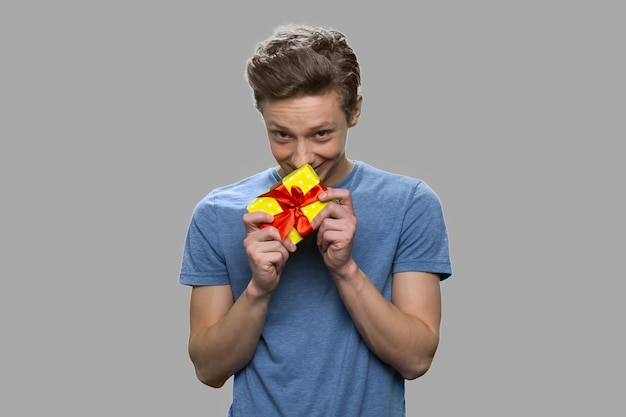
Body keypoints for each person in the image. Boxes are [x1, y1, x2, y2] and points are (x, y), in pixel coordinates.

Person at [179, 23, 452, 417]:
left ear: (354, 111)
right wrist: (258, 289)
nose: (301, 158)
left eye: (321, 134)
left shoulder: (410, 203)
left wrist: (345, 271)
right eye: (282, 135)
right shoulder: (217, 212)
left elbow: (416, 360)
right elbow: (208, 370)